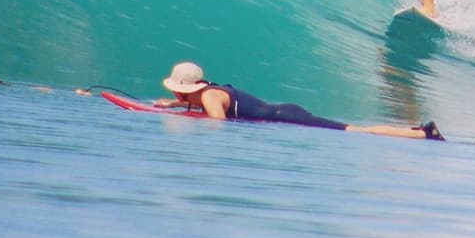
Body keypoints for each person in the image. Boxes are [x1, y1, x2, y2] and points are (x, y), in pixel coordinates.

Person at [157, 61, 444, 140]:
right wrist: (176, 106)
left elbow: (217, 123)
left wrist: (189, 122)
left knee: (356, 131)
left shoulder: (208, 98)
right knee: (353, 130)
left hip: (287, 117)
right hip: (285, 111)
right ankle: (417, 131)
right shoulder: (210, 91)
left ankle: (421, 133)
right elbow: (213, 107)